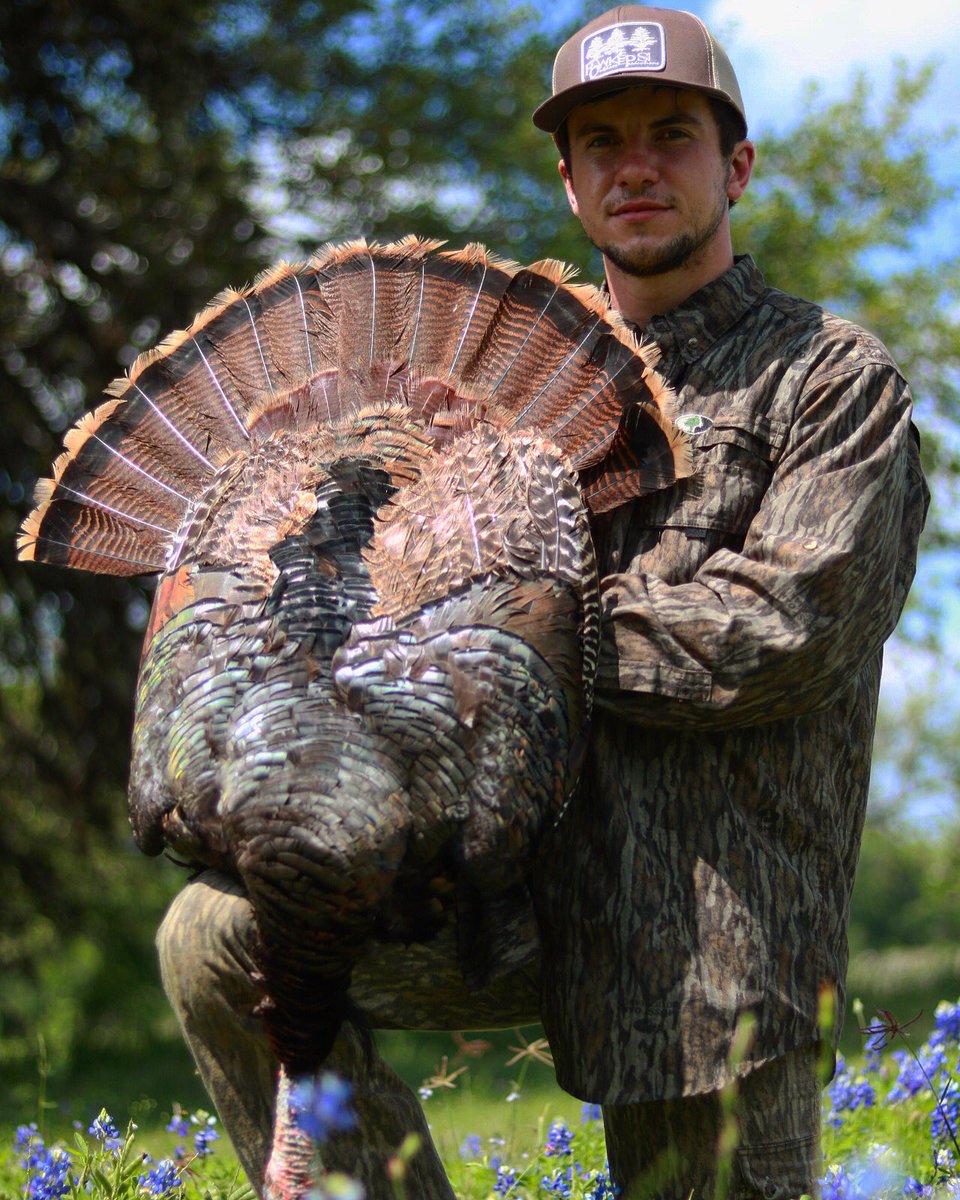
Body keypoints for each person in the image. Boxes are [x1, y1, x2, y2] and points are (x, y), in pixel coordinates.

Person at [156, 6, 929, 1199]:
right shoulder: (496, 402)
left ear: (735, 167)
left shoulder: (831, 380)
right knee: (214, 939)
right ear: (569, 184)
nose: (635, 166)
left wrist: (517, 633)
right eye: (601, 142)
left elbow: (788, 631)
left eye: (671, 135)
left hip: (704, 922)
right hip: (499, 884)